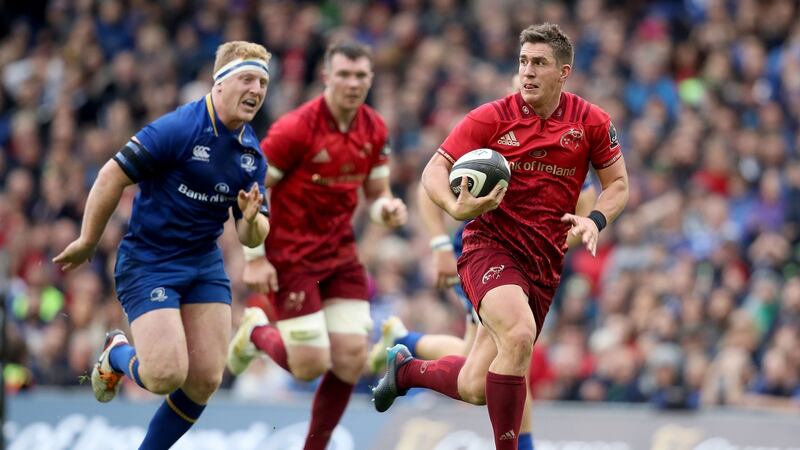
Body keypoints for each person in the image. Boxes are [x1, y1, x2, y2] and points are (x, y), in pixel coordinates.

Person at [372, 23, 629, 450]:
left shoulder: (592, 122)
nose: (528, 72)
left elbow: (618, 183)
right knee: (518, 335)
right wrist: (453, 212)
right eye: (523, 62)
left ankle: (407, 370)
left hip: (543, 265)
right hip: (489, 248)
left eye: (539, 63)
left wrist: (596, 220)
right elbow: (433, 170)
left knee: (476, 386)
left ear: (563, 72)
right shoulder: (491, 117)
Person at [52, 41, 272, 449]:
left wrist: (253, 217)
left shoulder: (251, 156)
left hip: (203, 263)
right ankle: (117, 352)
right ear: (220, 83)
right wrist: (87, 240)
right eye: (247, 78)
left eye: (263, 82)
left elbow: (250, 236)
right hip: (149, 261)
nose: (257, 90)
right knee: (164, 375)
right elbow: (110, 177)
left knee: (206, 379)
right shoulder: (178, 128)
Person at [226, 41, 407, 450]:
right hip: (291, 257)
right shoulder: (296, 128)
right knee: (309, 367)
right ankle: (255, 331)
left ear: (370, 80)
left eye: (361, 76)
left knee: (351, 360)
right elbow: (250, 188)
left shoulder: (375, 128)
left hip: (341, 256)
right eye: (344, 74)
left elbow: (377, 192)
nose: (352, 83)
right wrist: (254, 257)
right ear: (326, 77)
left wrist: (388, 209)